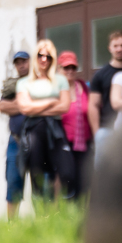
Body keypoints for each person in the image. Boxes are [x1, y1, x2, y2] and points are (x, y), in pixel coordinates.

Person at [16, 39, 75, 201]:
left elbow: (64, 106)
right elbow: (25, 108)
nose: (44, 59)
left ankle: (61, 208)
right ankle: (42, 212)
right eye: (40, 55)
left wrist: (36, 107)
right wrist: (50, 101)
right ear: (35, 57)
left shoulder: (60, 80)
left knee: (67, 172)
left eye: (48, 56)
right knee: (37, 176)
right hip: (34, 130)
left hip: (55, 129)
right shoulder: (24, 82)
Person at [88, 30, 122, 161]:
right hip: (107, 129)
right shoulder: (100, 75)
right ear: (109, 48)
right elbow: (93, 105)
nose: (119, 49)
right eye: (115, 46)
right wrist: (97, 133)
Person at [0, 51, 30, 219]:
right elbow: (2, 106)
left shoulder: (38, 83)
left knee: (42, 184)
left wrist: (18, 105)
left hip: (37, 139)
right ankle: (12, 225)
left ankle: (46, 222)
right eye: (18, 63)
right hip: (16, 140)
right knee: (13, 182)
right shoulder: (12, 85)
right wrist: (26, 105)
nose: (21, 65)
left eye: (24, 61)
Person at [58, 51, 93, 198]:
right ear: (59, 69)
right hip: (64, 144)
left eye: (73, 67)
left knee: (84, 182)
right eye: (66, 67)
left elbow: (92, 110)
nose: (70, 71)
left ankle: (81, 210)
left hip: (84, 143)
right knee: (67, 180)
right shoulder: (56, 90)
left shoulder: (83, 87)